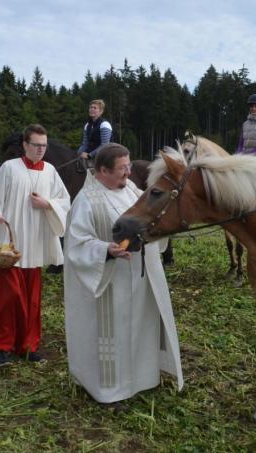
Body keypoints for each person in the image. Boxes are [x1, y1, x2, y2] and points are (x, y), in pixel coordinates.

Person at [63, 143, 183, 406]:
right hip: (110, 284)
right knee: (113, 336)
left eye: (129, 166)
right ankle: (109, 390)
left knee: (140, 327)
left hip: (140, 280)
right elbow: (76, 245)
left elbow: (152, 216)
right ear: (103, 170)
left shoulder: (132, 190)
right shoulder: (86, 201)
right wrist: (106, 250)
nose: (128, 172)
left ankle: (141, 379)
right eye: (122, 168)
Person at [0, 124, 71, 367]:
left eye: (44, 145)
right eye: (36, 145)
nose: (40, 149)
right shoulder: (9, 168)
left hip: (35, 244)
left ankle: (28, 346)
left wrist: (48, 204)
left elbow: (64, 201)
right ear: (25, 145)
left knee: (32, 300)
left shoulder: (50, 171)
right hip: (9, 247)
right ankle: (3, 346)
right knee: (10, 297)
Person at [77, 99, 113, 169]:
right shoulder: (87, 125)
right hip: (89, 153)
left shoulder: (104, 124)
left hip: (105, 155)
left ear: (101, 111)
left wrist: (89, 155)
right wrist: (78, 153)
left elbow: (104, 145)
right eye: (91, 107)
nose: (92, 109)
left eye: (95, 108)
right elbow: (85, 144)